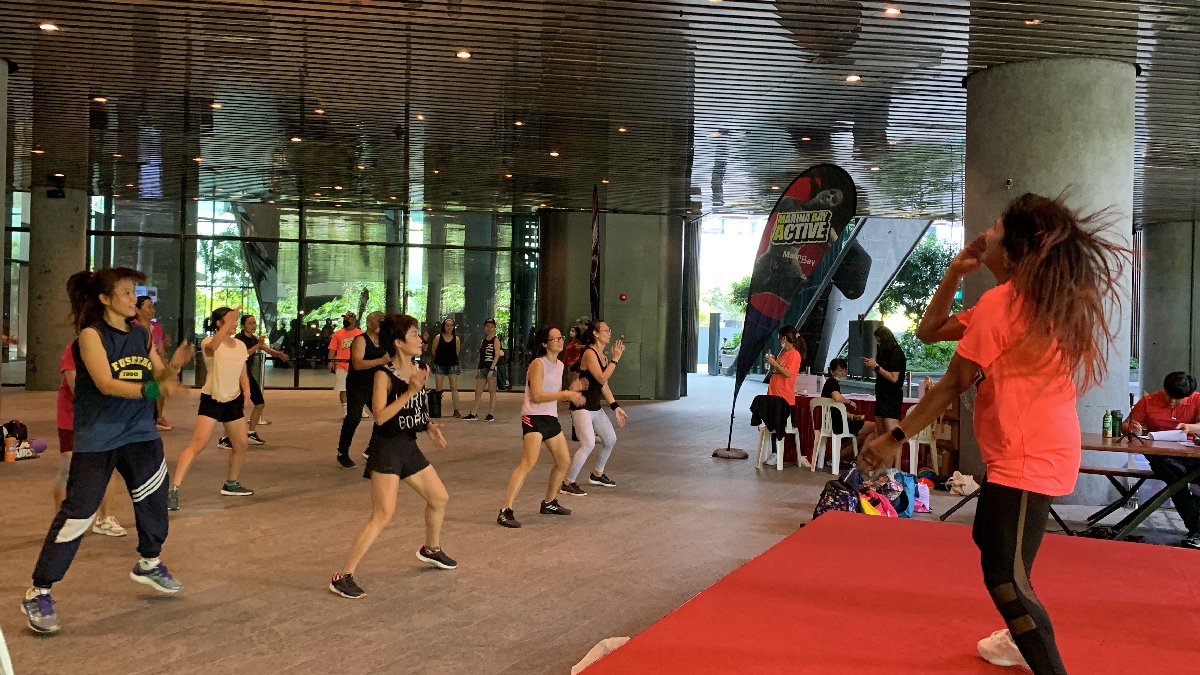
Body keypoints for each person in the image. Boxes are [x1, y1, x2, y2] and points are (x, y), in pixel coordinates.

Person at [860, 193, 1128, 674]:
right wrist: (955, 272)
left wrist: (892, 438)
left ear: (1015, 248)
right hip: (1034, 448)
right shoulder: (1030, 300)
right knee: (991, 538)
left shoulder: (1003, 304)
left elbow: (952, 383)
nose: (985, 235)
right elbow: (929, 331)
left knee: (1005, 577)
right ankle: (1017, 638)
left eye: (996, 230)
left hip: (1028, 454)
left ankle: (1038, 655)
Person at [23, 268, 193, 635]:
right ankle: (40, 592)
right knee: (79, 514)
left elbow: (158, 377)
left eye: (135, 292)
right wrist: (154, 391)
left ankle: (149, 563)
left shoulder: (141, 334)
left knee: (154, 499)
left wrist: (176, 365)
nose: (135, 298)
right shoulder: (90, 336)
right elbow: (105, 383)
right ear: (105, 299)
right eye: (127, 292)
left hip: (140, 434)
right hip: (98, 437)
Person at [329, 314, 455, 599]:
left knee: (439, 498)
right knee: (383, 514)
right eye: (414, 334)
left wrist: (428, 426)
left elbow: (417, 409)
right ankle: (343, 576)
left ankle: (431, 549)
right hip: (386, 447)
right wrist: (409, 391)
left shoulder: (421, 368)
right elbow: (380, 417)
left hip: (408, 445)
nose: (420, 339)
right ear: (398, 342)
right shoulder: (383, 375)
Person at [497, 327, 587, 528]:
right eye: (555, 338)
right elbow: (537, 396)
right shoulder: (538, 364)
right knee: (528, 462)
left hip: (550, 418)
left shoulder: (560, 365)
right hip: (533, 417)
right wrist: (566, 394)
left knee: (564, 462)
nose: (560, 341)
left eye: (561, 337)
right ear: (545, 343)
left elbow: (553, 394)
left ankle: (549, 502)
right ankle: (505, 510)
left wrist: (571, 390)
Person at [167, 307, 255, 511]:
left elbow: (242, 370)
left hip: (233, 400)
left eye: (234, 320)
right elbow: (213, 347)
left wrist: (247, 390)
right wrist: (227, 323)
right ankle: (174, 489)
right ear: (218, 323)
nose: (235, 323)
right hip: (212, 399)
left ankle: (231, 483)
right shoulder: (209, 342)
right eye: (230, 320)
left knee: (241, 443)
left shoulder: (241, 345)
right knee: (198, 444)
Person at [55, 338, 127, 538]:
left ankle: (105, 519)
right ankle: (61, 522)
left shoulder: (112, 349)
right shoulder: (74, 349)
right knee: (69, 468)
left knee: (107, 465)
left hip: (103, 417)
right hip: (73, 418)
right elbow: (77, 388)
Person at [1127, 372, 1200, 549]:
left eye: (1178, 399)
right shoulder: (1148, 401)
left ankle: (1197, 530)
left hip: (1191, 455)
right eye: (1169, 396)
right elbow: (1127, 424)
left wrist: (1189, 427)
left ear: (1189, 395)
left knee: (1183, 479)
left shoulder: (1197, 400)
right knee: (1177, 477)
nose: (1172, 402)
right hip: (1160, 457)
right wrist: (1134, 428)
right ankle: (1197, 530)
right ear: (1164, 389)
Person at [560, 321, 628, 496]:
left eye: (609, 330)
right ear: (596, 334)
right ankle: (567, 482)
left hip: (594, 407)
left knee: (610, 439)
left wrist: (615, 406)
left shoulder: (602, 357)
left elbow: (604, 385)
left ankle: (597, 474)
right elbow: (601, 377)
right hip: (581, 405)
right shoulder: (590, 353)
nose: (609, 333)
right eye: (606, 330)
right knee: (588, 444)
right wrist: (615, 359)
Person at [222, 314, 289, 448]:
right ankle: (225, 438)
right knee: (236, 408)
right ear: (243, 325)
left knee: (259, 404)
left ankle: (251, 433)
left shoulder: (253, 339)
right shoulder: (238, 339)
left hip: (247, 376)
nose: (253, 325)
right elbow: (244, 354)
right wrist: (258, 345)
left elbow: (265, 348)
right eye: (250, 323)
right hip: (236, 377)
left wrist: (278, 354)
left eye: (254, 323)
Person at [336, 311, 390, 469]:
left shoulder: (383, 341)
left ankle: (371, 450)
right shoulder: (360, 340)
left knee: (384, 418)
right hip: (357, 385)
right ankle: (342, 452)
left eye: (383, 321)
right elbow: (358, 364)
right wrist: (381, 360)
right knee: (353, 418)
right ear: (370, 323)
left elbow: (386, 363)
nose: (381, 324)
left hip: (375, 385)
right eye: (379, 321)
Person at [758, 325, 804, 467]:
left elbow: (788, 373)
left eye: (779, 337)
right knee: (773, 425)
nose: (779, 341)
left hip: (785, 397)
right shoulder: (782, 353)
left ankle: (799, 454)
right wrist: (772, 362)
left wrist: (775, 364)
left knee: (787, 426)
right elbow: (778, 370)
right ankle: (774, 452)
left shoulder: (795, 355)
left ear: (784, 338)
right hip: (773, 394)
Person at [862, 325, 906, 467]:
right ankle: (883, 466)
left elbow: (893, 378)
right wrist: (873, 366)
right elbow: (882, 373)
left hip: (891, 396)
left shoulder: (896, 353)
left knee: (892, 434)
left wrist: (876, 366)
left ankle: (896, 467)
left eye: (880, 341)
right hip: (881, 394)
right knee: (881, 434)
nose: (879, 345)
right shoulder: (883, 353)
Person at [133, 296, 172, 431]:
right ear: (137, 310)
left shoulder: (157, 327)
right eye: (148, 307)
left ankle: (158, 417)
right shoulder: (132, 327)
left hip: (154, 363)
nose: (152, 310)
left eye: (153, 307)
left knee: (160, 384)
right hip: (139, 364)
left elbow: (160, 350)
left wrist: (164, 349)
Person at [822, 358, 877, 447]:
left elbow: (837, 409)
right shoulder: (832, 382)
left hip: (832, 423)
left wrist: (853, 416)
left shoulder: (829, 383)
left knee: (861, 438)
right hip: (839, 425)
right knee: (875, 426)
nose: (843, 373)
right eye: (840, 371)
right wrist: (849, 402)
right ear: (832, 372)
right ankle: (867, 455)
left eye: (845, 370)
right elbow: (837, 397)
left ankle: (838, 455)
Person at [463, 319, 504, 422]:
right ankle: (474, 413)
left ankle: (490, 413)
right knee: (478, 391)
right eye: (487, 326)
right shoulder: (483, 341)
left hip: (491, 368)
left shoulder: (496, 340)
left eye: (491, 327)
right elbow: (480, 356)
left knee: (492, 391)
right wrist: (477, 369)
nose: (489, 329)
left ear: (494, 328)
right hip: (483, 367)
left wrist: (492, 369)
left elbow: (497, 355)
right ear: (484, 327)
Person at [329, 312, 365, 418]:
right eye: (344, 318)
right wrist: (331, 361)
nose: (346, 320)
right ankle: (346, 411)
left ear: (354, 320)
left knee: (359, 389)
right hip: (342, 365)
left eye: (348, 318)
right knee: (343, 389)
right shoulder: (337, 334)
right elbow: (332, 349)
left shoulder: (360, 333)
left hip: (357, 365)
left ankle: (360, 410)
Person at [430, 318, 462, 418]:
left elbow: (457, 351)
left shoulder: (456, 339)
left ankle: (456, 410)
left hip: (452, 364)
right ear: (444, 326)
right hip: (439, 364)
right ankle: (437, 410)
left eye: (451, 325)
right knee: (439, 388)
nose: (449, 327)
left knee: (454, 387)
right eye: (447, 325)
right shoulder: (438, 337)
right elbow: (433, 351)